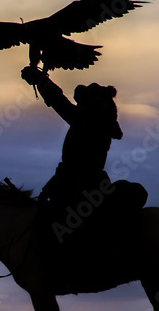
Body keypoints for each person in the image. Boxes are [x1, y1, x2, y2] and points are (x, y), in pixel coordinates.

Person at [20, 65, 145, 249]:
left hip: (79, 186)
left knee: (59, 234)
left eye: (83, 102)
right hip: (79, 183)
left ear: (92, 104)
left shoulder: (89, 121)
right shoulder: (94, 121)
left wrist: (40, 79)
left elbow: (59, 101)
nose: (79, 105)